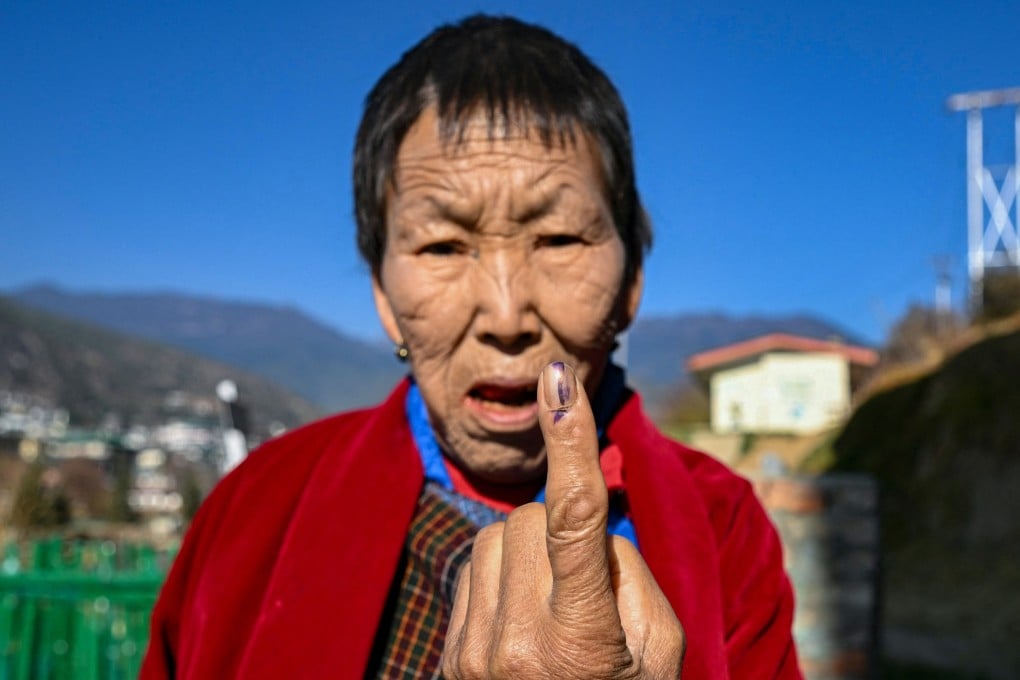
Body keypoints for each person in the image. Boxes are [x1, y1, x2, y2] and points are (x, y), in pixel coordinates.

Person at [141, 14, 800, 679]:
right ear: (382, 296)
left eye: (561, 239)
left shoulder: (722, 531)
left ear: (632, 281)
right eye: (443, 246)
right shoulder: (257, 506)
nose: (507, 315)